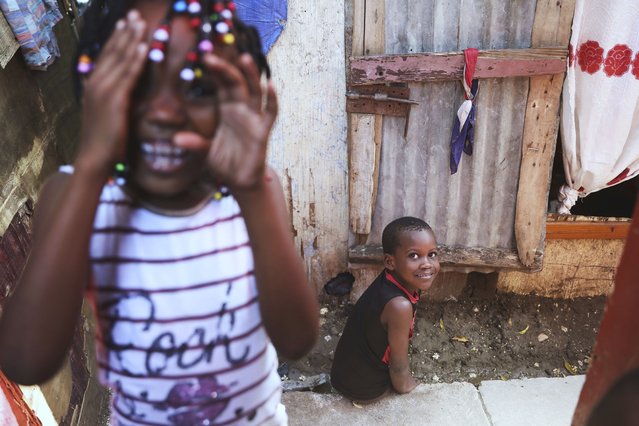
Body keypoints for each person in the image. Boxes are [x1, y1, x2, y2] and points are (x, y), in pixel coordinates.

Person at [0, 1, 319, 424]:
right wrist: (91, 172)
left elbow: (297, 339)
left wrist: (252, 192)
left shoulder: (254, 192)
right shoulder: (76, 197)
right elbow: (25, 362)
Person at [330, 217, 440, 403]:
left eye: (432, 254)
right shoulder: (399, 306)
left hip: (342, 376)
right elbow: (398, 366)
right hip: (365, 390)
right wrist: (407, 385)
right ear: (390, 262)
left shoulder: (389, 282)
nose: (427, 263)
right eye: (414, 255)